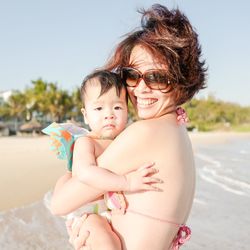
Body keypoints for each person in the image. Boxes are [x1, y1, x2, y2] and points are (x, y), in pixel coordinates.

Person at [51, 4, 206, 250]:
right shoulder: (175, 130)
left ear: (183, 80)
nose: (141, 88)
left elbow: (59, 204)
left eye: (156, 77)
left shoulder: (146, 133)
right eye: (132, 75)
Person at [45, 70, 162, 250]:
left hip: (108, 211)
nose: (109, 114)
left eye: (117, 107)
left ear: (127, 110)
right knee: (108, 245)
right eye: (99, 108)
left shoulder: (123, 140)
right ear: (85, 115)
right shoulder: (87, 142)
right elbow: (85, 173)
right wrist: (127, 182)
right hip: (89, 212)